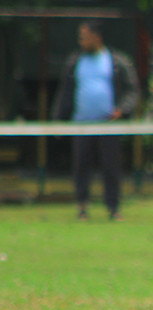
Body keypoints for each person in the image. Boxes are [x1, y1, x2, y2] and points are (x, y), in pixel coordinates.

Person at [52, 20, 140, 221]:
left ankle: (113, 208)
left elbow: (132, 91)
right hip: (81, 124)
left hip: (108, 125)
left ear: (97, 37)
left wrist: (122, 110)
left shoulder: (116, 61)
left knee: (111, 166)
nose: (81, 41)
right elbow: (64, 93)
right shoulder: (75, 62)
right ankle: (82, 206)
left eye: (85, 37)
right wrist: (58, 119)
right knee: (81, 166)